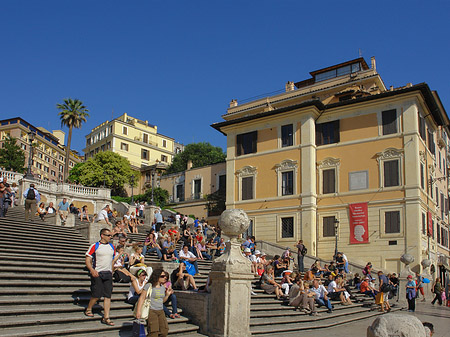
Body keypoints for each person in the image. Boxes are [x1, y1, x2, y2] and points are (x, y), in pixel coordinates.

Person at [84, 228, 115, 326]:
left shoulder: (112, 246)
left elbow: (112, 260)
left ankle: (106, 317)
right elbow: (88, 259)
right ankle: (89, 308)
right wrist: (92, 270)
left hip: (108, 273)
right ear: (102, 235)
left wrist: (112, 270)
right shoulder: (95, 246)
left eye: (111, 235)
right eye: (108, 235)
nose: (110, 237)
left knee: (108, 296)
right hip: (98, 272)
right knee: (97, 294)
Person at [135, 269, 171, 337]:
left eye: (165, 276)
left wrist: (167, 295)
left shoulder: (162, 287)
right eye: (162, 276)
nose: (165, 278)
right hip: (151, 310)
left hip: (160, 311)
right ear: (157, 276)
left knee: (164, 331)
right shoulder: (149, 285)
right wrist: (138, 311)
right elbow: (142, 298)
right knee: (153, 332)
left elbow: (162, 301)